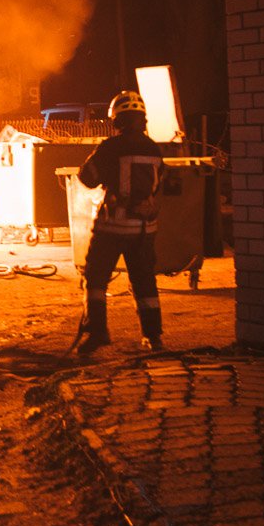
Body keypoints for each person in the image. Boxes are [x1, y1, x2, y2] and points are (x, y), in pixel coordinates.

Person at [76, 90, 165, 356]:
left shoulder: (111, 147)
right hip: (144, 229)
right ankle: (153, 337)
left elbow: (87, 178)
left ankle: (98, 332)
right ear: (142, 119)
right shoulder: (155, 149)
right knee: (145, 283)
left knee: (95, 278)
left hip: (112, 228)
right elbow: (159, 183)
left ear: (118, 120)